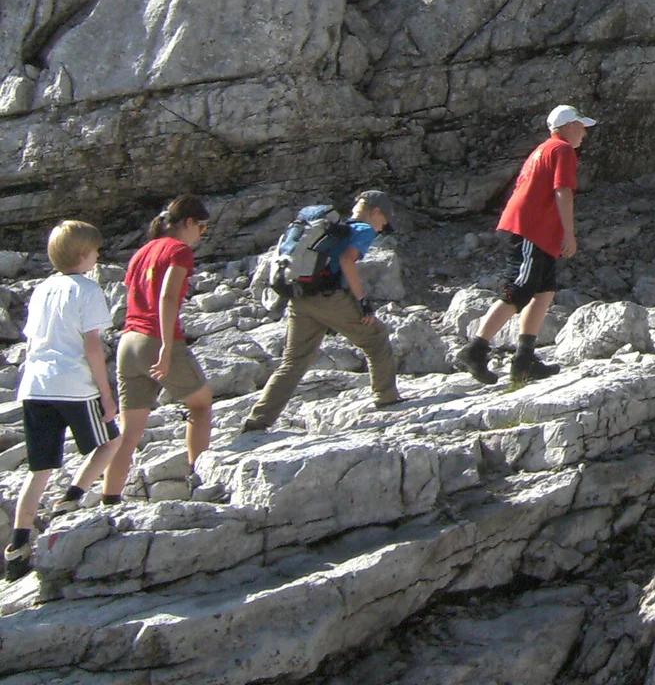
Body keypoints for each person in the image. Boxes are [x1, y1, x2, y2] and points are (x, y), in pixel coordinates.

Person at [7, 221, 120, 582]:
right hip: (74, 384)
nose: (98, 255)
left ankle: (18, 545)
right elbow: (92, 347)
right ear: (83, 254)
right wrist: (106, 394)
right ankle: (71, 496)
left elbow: (32, 340)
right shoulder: (87, 290)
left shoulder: (41, 289)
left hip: (36, 386)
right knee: (110, 440)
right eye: (95, 250)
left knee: (39, 468)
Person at [238, 191, 403, 435]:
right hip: (329, 299)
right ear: (376, 212)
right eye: (384, 224)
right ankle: (387, 397)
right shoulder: (363, 230)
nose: (382, 229)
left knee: (294, 361)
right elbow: (348, 262)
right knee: (376, 337)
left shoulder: (332, 228)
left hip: (300, 298)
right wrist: (363, 302)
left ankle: (258, 420)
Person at [456, 105, 593, 389]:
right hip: (530, 229)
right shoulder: (563, 150)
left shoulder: (542, 149)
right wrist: (570, 233)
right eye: (581, 125)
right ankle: (476, 349)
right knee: (519, 289)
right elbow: (562, 191)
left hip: (533, 229)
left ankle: (524, 358)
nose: (585, 131)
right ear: (568, 126)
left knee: (544, 290)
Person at [101, 195, 214, 503]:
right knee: (201, 405)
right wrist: (166, 348)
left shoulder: (142, 252)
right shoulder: (179, 251)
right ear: (188, 223)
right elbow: (166, 298)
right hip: (156, 339)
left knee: (129, 432)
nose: (202, 234)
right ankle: (200, 477)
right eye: (202, 227)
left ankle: (110, 498)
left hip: (128, 341)